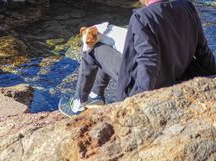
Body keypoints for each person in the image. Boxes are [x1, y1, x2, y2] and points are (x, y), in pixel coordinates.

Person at [70, 0, 216, 114]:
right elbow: (203, 50)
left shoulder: (142, 17)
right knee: (103, 45)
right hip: (177, 72)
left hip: (151, 83)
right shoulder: (187, 7)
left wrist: (138, 99)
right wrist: (213, 72)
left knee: (92, 50)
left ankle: (78, 103)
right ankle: (96, 96)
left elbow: (148, 61)